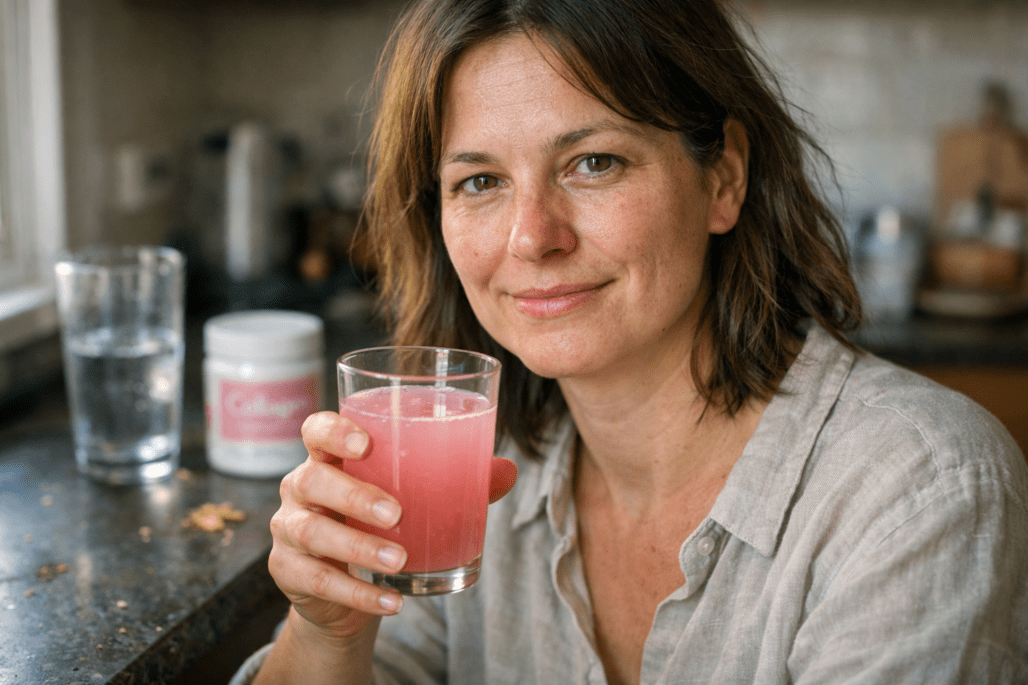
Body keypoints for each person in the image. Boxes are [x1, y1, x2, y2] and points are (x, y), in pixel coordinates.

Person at [234, 0, 1028, 683]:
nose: (532, 237)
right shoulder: (478, 474)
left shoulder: (920, 493)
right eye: (479, 181)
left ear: (723, 179)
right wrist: (326, 630)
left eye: (593, 162)